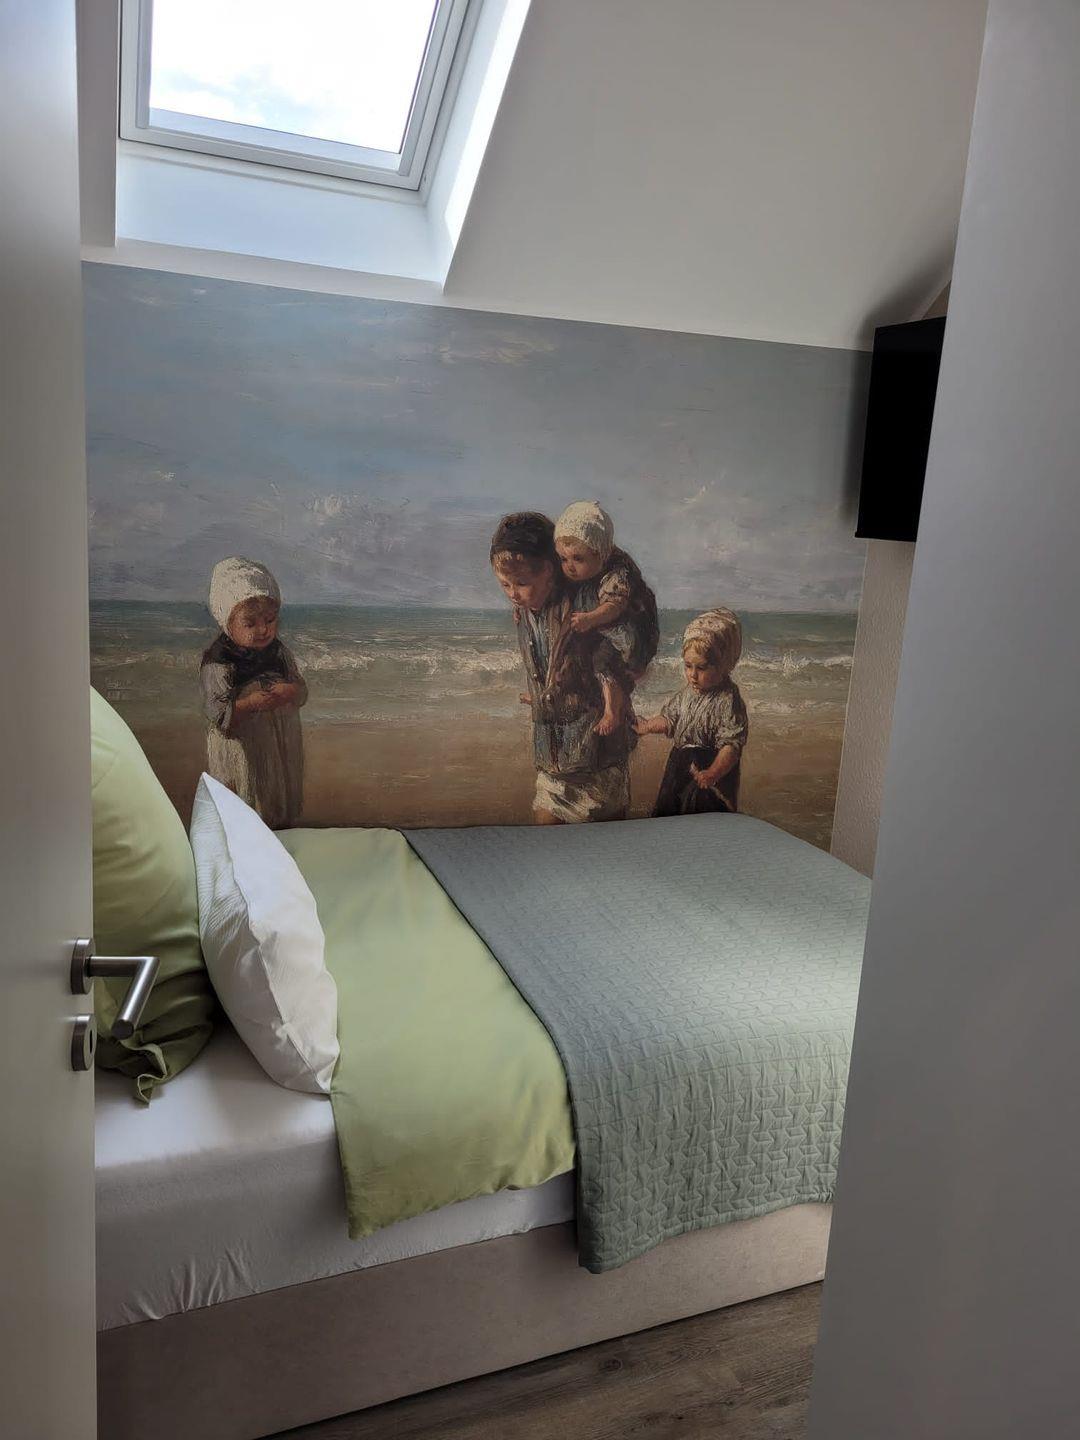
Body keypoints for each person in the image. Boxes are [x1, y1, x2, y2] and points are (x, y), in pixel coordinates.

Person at [491, 512, 632, 824]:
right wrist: (542, 694)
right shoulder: (525, 612)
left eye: (522, 583)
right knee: (548, 833)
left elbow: (610, 659)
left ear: (550, 572)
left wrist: (612, 707)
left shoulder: (583, 607)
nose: (513, 593)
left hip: (595, 756)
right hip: (552, 756)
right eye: (505, 584)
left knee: (603, 839)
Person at [200, 556, 307, 829]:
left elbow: (301, 691)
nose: (263, 630)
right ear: (228, 622)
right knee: (247, 795)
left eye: (270, 620)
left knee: (276, 795)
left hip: (278, 742)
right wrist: (249, 704)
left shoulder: (279, 652)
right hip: (241, 745)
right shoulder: (218, 660)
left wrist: (289, 691)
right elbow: (218, 714)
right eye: (250, 623)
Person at [553, 500, 659, 735]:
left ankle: (612, 711)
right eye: (563, 559)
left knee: (602, 660)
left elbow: (614, 606)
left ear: (600, 553)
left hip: (627, 635)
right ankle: (555, 693)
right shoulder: (584, 571)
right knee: (573, 651)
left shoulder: (617, 572)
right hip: (603, 629)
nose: (569, 566)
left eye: (577, 558)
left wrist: (591, 618)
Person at [634, 607, 748, 817]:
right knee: (669, 813)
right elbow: (670, 719)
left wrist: (713, 773)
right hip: (680, 764)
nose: (692, 675)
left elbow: (731, 746)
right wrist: (648, 726)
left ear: (723, 665)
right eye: (688, 666)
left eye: (701, 668)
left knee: (702, 816)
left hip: (710, 768)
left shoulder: (728, 699)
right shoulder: (687, 693)